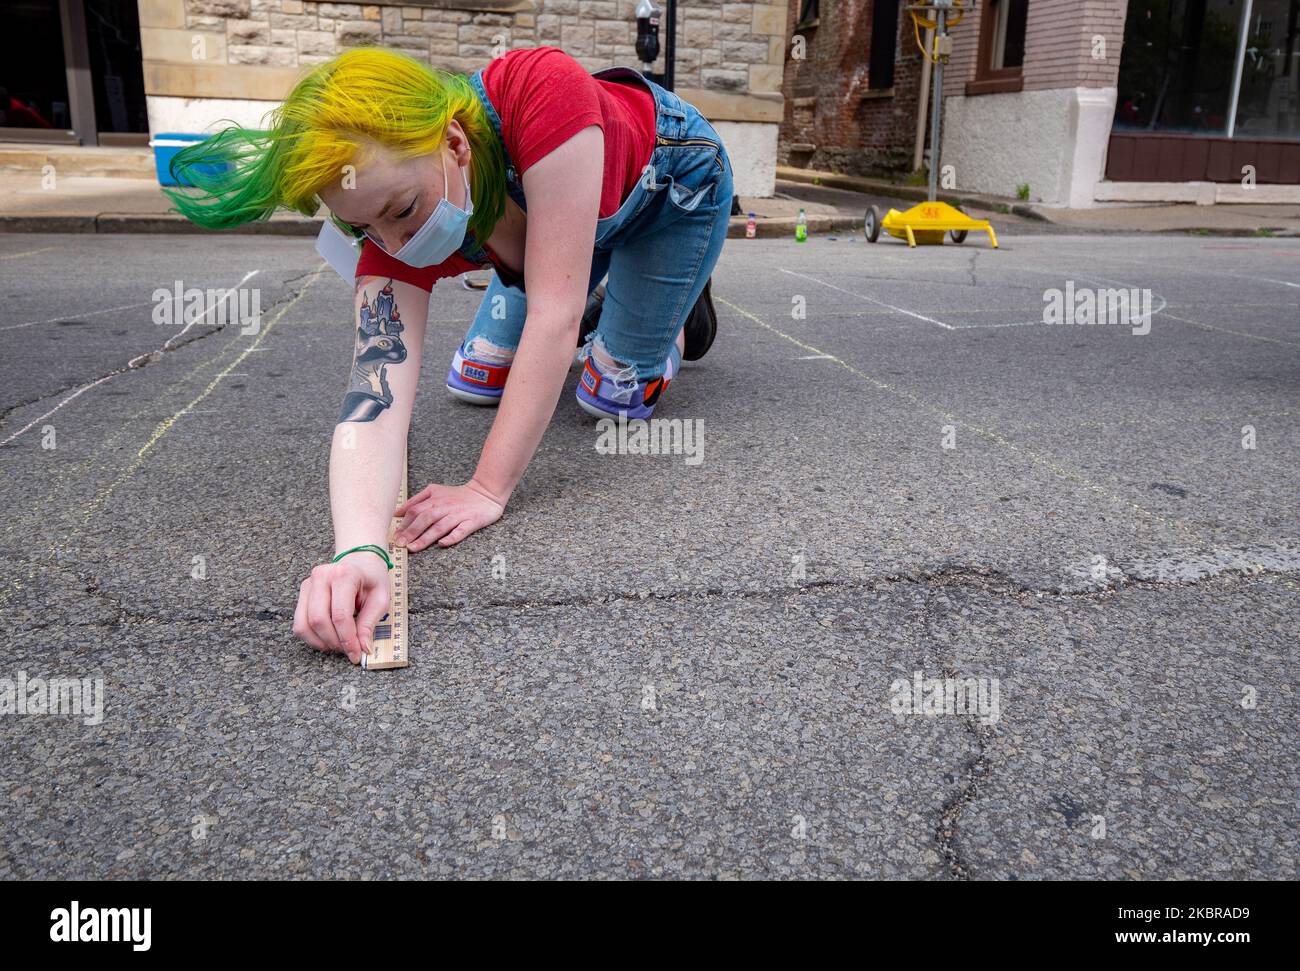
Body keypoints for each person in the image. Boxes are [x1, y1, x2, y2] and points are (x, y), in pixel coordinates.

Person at [166, 45, 733, 664]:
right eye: (363, 228)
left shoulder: (542, 87)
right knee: (476, 378)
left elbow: (552, 317)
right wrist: (357, 548)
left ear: (456, 144)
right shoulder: (388, 224)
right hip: (540, 222)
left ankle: (679, 319)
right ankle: (580, 278)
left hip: (670, 187)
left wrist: (487, 488)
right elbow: (372, 400)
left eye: (403, 211)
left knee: (613, 395)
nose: (396, 247)